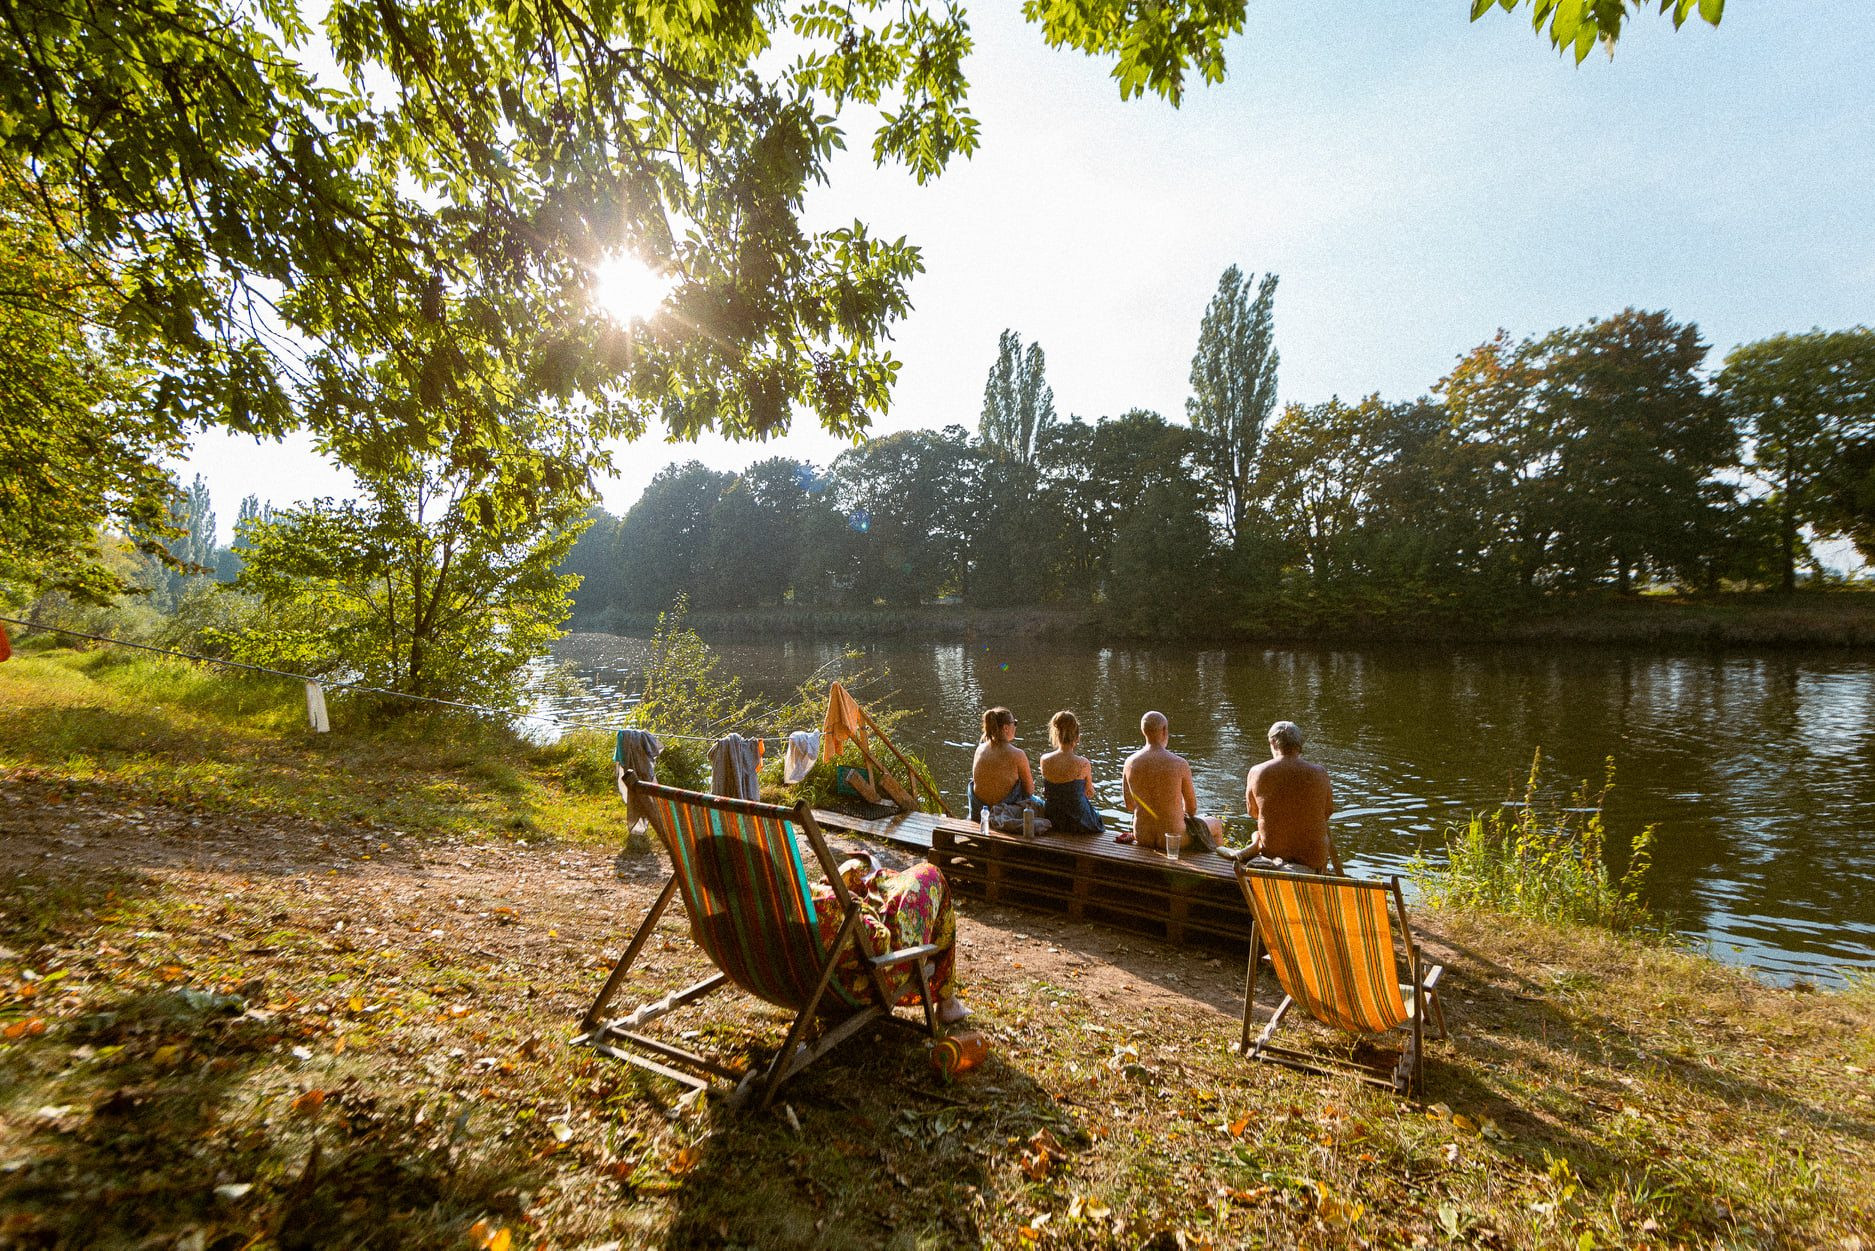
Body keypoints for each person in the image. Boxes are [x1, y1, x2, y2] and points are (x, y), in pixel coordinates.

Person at [815, 858, 969, 1024]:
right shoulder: (826, 908)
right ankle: (947, 1002)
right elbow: (879, 940)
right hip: (872, 973)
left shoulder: (798, 902)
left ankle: (948, 1000)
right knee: (931, 874)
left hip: (821, 975)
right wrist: (862, 907)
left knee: (866, 871)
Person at [1243, 720, 1342, 874]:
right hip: (1313, 860)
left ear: (1273, 743)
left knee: (1257, 835)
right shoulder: (1320, 773)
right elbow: (1327, 813)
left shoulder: (1257, 772)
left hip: (1273, 855)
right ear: (1299, 745)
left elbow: (1253, 813)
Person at [1120, 710, 1222, 852]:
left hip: (1143, 837)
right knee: (1216, 824)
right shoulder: (1179, 763)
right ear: (1164, 730)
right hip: (1174, 839)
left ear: (1143, 731)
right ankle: (1219, 864)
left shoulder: (1129, 763)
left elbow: (1130, 806)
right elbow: (1192, 809)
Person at [1039, 710, 1104, 835]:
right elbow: (1089, 792)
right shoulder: (1083, 763)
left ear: (1055, 734)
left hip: (1053, 819)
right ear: (1077, 737)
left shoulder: (1044, 760)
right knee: (1097, 817)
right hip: (1078, 822)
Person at [970, 706, 1036, 819]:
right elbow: (1029, 790)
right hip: (1005, 814)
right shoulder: (1018, 755)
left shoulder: (979, 750)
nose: (1015, 726)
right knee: (1039, 803)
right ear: (1006, 728)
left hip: (980, 813)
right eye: (1014, 723)